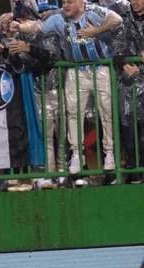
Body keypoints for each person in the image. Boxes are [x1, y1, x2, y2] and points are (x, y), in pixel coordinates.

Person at [40, 0, 122, 175]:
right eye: (63, 2)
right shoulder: (59, 18)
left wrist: (96, 31)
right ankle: (77, 154)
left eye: (70, 1)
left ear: (80, 2)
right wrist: (20, 26)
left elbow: (117, 19)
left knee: (106, 112)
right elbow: (38, 27)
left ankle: (110, 153)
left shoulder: (94, 11)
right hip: (76, 70)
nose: (66, 5)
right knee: (74, 114)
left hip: (100, 68)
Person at [113, 0, 144, 183]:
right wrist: (124, 63)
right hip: (129, 83)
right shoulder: (124, 21)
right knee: (129, 128)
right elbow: (116, 49)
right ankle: (135, 171)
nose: (134, 2)